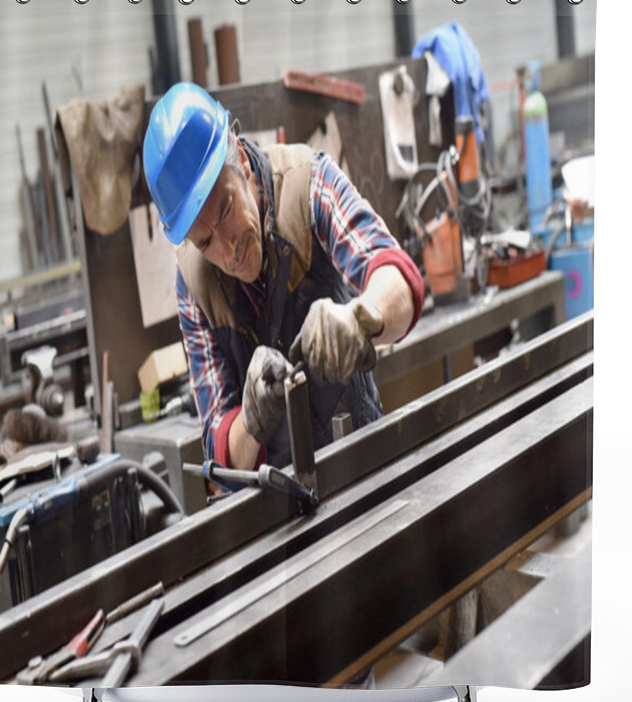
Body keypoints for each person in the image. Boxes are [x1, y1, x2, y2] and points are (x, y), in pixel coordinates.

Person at [143, 82, 424, 471]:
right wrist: (251, 421)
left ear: (240, 159)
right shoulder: (192, 283)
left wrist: (362, 317)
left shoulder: (307, 183)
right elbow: (220, 453)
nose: (229, 250)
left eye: (226, 209)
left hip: (363, 465)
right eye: (206, 242)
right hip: (277, 508)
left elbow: (399, 277)